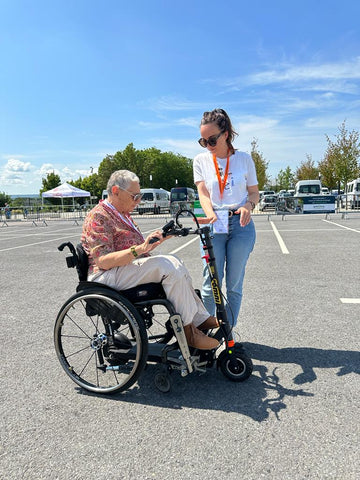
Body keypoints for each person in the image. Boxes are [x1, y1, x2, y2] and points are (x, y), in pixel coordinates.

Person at [81, 169, 219, 350]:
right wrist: (140, 249)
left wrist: (155, 241)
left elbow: (137, 250)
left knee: (174, 261)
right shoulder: (99, 216)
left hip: (123, 270)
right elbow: (103, 261)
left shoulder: (122, 214)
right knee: (166, 266)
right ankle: (189, 333)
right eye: (135, 196)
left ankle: (199, 319)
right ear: (115, 191)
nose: (138, 201)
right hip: (105, 276)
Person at [193, 108, 259, 327]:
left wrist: (249, 205)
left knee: (233, 285)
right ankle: (206, 333)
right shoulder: (201, 161)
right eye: (203, 141)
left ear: (226, 134)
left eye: (212, 140)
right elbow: (203, 192)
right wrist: (210, 212)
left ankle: (227, 336)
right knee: (210, 281)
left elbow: (254, 193)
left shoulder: (244, 159)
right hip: (216, 220)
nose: (208, 146)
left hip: (241, 221)